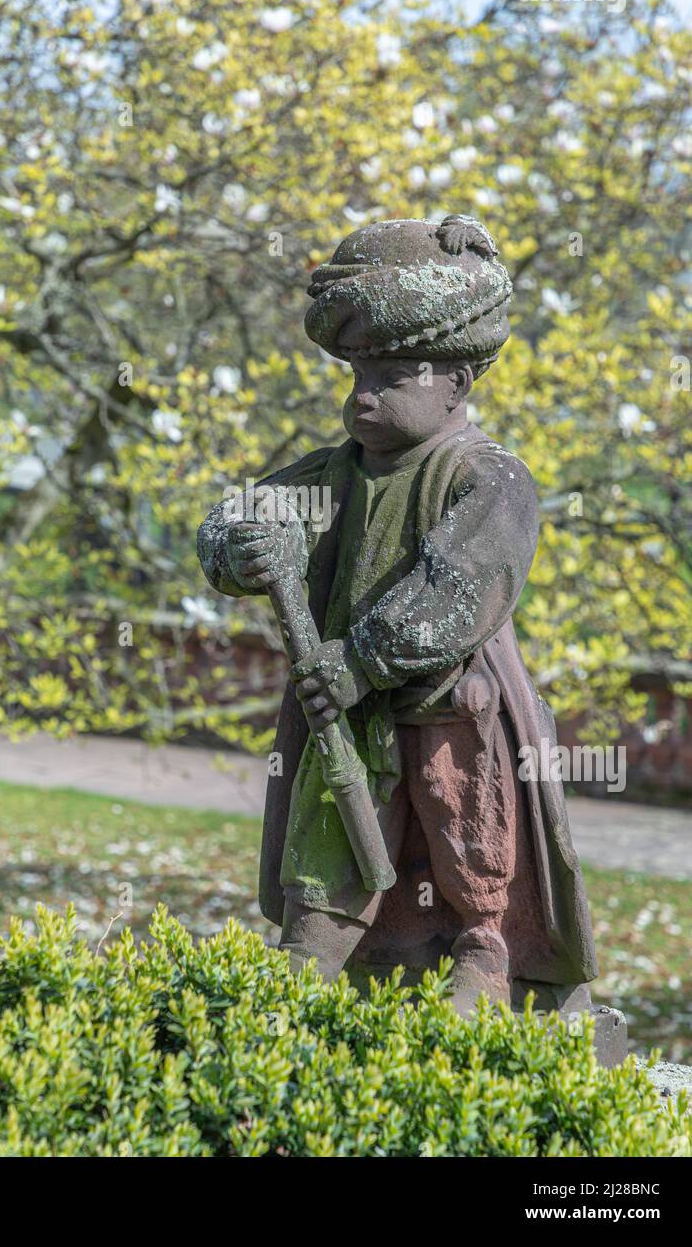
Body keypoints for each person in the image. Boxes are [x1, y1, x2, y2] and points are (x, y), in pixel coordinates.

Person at [197, 215, 597, 1013]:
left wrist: (359, 661)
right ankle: (306, 964)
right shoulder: (336, 473)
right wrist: (241, 546)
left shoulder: (490, 478)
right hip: (343, 719)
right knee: (328, 846)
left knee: (469, 847)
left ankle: (483, 963)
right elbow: (240, 516)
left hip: (454, 715)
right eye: (357, 376)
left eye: (392, 376)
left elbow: (461, 586)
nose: (365, 396)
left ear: (457, 380)